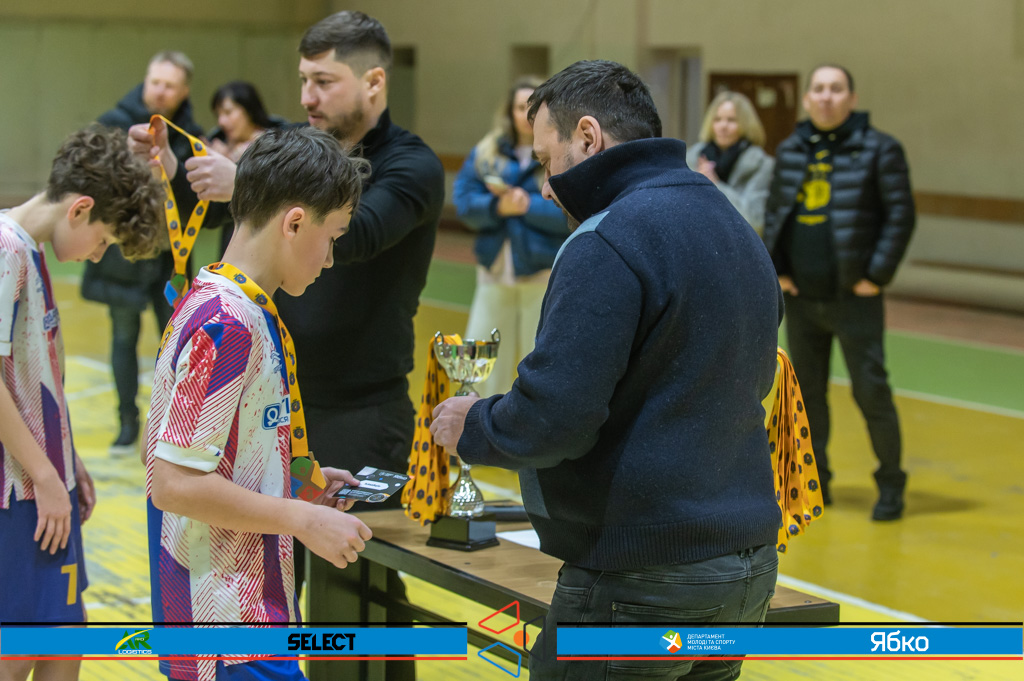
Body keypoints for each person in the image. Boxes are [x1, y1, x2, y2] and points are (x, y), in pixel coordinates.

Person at [431, 60, 783, 681]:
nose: (546, 187)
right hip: (746, 576)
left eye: (548, 161)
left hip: (641, 578)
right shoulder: (731, 223)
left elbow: (556, 417)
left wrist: (477, 425)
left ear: (589, 138)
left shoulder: (609, 238)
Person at [145, 127, 373, 681]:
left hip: (247, 617)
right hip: (223, 629)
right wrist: (301, 517)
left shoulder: (239, 306)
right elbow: (174, 484)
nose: (330, 259)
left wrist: (297, 483)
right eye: (332, 237)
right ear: (294, 223)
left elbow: (220, 457)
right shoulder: (227, 323)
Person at [0, 125, 165, 681]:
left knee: (66, 636)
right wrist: (47, 475)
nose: (99, 254)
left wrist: (67, 461)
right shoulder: (5, 249)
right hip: (18, 491)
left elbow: (35, 380)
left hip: (45, 480)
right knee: (18, 650)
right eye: (104, 241)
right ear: (80, 210)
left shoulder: (32, 251)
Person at [762, 64, 915, 521]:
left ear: (852, 98)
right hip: (802, 298)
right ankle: (819, 482)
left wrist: (877, 276)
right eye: (819, 89)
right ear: (807, 98)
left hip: (855, 299)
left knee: (871, 391)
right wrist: (779, 269)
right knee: (808, 397)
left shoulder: (880, 149)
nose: (826, 96)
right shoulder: (791, 150)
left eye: (836, 88)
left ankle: (891, 483)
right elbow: (776, 213)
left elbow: (900, 215)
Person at [84, 50, 206, 456]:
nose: (160, 91)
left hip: (171, 261)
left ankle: (169, 427)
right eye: (155, 82)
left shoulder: (192, 136)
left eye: (170, 86)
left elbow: (198, 202)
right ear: (145, 80)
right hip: (123, 257)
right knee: (123, 338)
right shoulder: (114, 124)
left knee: (175, 345)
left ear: (184, 91)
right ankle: (127, 423)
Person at [453, 76, 569, 395]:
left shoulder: (563, 151)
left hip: (542, 272)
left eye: (533, 107)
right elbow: (464, 203)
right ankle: (476, 419)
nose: (526, 114)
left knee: (539, 359)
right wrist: (497, 206)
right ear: (509, 111)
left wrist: (527, 206)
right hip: (494, 270)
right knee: (481, 363)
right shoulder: (486, 151)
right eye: (520, 107)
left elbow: (570, 213)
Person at [208, 80, 286, 255]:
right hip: (231, 233)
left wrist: (232, 163)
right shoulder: (218, 142)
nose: (222, 121)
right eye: (218, 115)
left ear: (249, 109)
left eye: (228, 112)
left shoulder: (277, 142)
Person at [686, 90, 775, 236]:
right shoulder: (691, 157)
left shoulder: (762, 164)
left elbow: (754, 222)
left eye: (731, 120)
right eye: (717, 119)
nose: (723, 126)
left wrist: (716, 185)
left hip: (738, 245)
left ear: (746, 124)